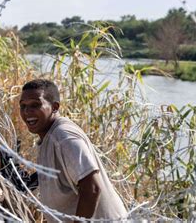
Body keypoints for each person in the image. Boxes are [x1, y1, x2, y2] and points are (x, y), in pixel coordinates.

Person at [19, 79, 128, 222]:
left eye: (35, 105)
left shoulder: (64, 137)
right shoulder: (49, 137)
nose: (27, 112)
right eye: (23, 106)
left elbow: (92, 188)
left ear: (55, 107)